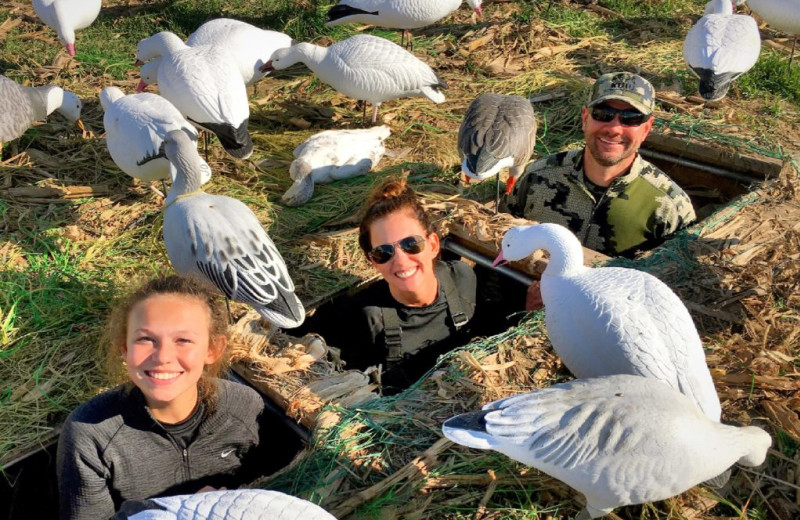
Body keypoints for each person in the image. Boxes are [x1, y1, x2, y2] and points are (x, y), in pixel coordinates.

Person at [57, 275, 302, 520]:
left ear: (212, 349)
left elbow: (277, 493)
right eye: (145, 339)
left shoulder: (244, 406)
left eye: (183, 340)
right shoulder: (90, 434)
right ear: (125, 348)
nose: (163, 356)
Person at [296, 178, 477, 393]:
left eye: (411, 244)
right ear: (373, 262)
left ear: (433, 245)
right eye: (384, 253)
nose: (400, 260)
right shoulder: (365, 317)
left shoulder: (462, 277)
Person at [501, 71, 696, 259]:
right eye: (603, 113)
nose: (614, 128)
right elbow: (502, 244)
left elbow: (673, 285)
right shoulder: (538, 176)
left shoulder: (670, 207)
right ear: (585, 118)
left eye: (631, 118)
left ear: (646, 128)